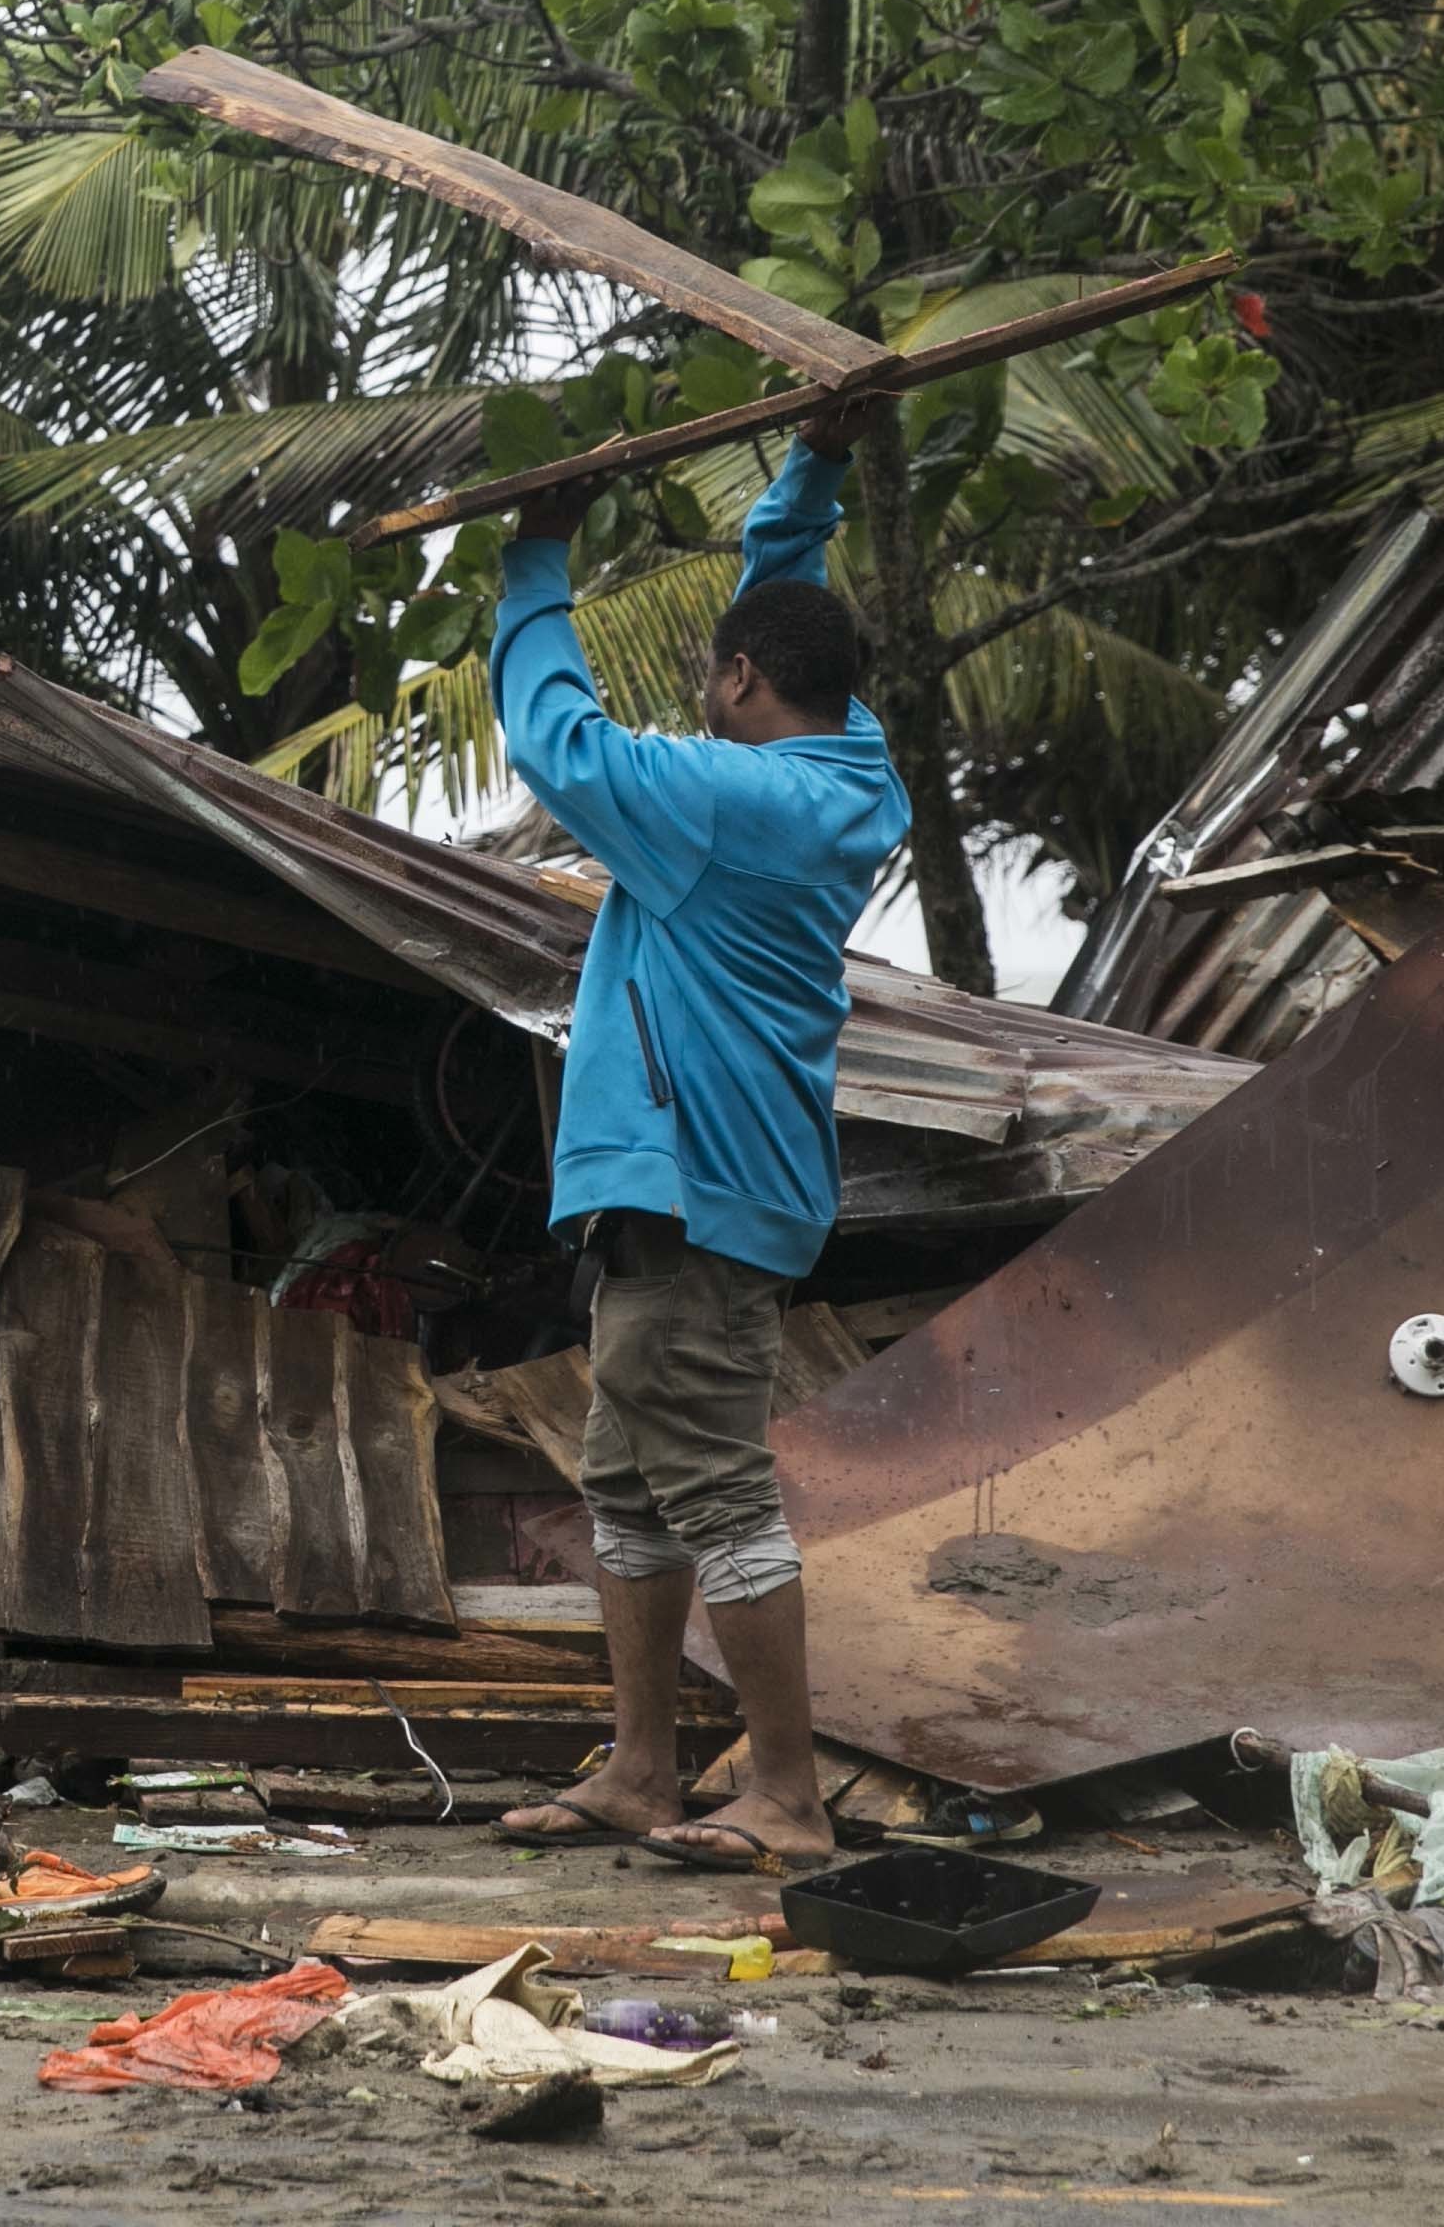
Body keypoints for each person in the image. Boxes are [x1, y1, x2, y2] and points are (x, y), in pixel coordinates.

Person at [484, 400, 908, 1874]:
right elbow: (780, 613)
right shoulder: (848, 768)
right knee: (628, 1482)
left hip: (698, 1190)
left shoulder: (725, 803)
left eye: (711, 675)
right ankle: (643, 1769)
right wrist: (819, 469)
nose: (700, 692)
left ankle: (783, 1795)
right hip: (701, 1186)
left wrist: (537, 556)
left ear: (738, 686)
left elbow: (554, 733)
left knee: (714, 1486)